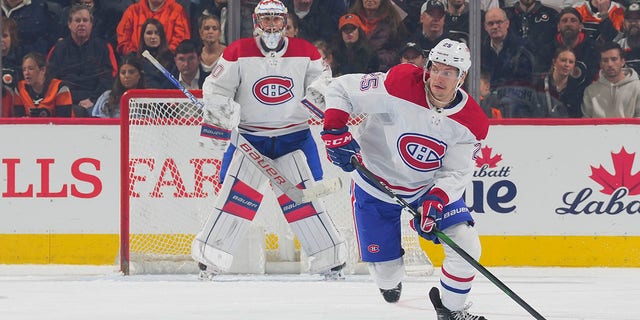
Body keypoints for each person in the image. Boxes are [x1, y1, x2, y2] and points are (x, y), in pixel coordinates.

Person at [320, 38, 488, 319]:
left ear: (462, 77)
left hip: (426, 189)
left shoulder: (473, 122)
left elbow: (457, 171)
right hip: (374, 184)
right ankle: (389, 275)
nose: (439, 77)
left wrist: (437, 199)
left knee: (467, 245)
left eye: (448, 72)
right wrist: (335, 130)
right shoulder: (399, 82)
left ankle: (451, 310)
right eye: (435, 68)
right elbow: (341, 88)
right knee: (387, 278)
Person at [191, 0, 347, 280]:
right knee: (233, 197)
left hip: (295, 137)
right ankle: (210, 259)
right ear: (256, 22)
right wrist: (218, 113)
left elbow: (325, 79)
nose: (273, 25)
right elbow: (216, 87)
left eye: (277, 19)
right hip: (251, 139)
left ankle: (329, 260)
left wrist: (317, 96)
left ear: (285, 21)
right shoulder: (237, 51)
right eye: (267, 19)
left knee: (309, 198)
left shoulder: (306, 51)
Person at [47, 5, 118, 117]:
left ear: (91, 24)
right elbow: (50, 78)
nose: (81, 24)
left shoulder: (103, 47)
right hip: (65, 99)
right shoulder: (58, 48)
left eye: (85, 20)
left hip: (95, 101)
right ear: (69, 24)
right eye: (77, 20)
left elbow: (109, 78)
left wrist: (92, 99)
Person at [582, 41, 640, 117]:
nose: (610, 64)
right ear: (600, 64)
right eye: (605, 60)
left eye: (614, 59)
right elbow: (586, 123)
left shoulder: (638, 87)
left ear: (622, 62)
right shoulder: (590, 91)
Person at [349, 0, 408, 71]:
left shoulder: (394, 20)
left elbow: (399, 50)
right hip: (354, 71)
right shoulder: (350, 19)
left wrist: (376, 59)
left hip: (383, 71)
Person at [116, 0, 191, 56]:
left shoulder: (177, 10)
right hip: (136, 62)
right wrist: (137, 56)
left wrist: (165, 56)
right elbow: (123, 40)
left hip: (168, 63)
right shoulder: (132, 11)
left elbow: (182, 40)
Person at [504, 0, 559, 75]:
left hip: (543, 73)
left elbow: (558, 46)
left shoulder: (552, 14)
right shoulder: (504, 14)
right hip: (508, 74)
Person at [13, 52, 74, 117]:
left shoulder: (60, 87)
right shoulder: (20, 88)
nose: (26, 73)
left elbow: (64, 120)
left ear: (43, 70)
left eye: (30, 69)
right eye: (24, 69)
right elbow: (18, 119)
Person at [534, 46, 584, 117]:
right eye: (563, 60)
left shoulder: (577, 90)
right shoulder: (538, 86)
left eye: (571, 62)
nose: (567, 65)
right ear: (554, 62)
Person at [136, 18, 175, 89]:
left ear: (162, 36)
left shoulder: (171, 59)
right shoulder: (135, 59)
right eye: (149, 33)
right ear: (143, 36)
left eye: (157, 33)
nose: (153, 37)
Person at [616, 2, 640, 74]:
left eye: (637, 19)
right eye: (629, 19)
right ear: (624, 24)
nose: (633, 23)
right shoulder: (618, 46)